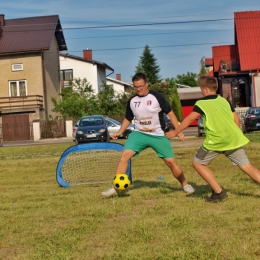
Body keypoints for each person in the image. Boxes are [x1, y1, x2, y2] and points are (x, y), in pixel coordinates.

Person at [166, 75, 260, 203]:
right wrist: (234, 133)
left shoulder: (201, 103)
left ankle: (218, 192)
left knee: (198, 163)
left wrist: (175, 132)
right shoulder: (223, 100)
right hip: (233, 139)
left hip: (215, 142)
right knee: (247, 166)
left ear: (205, 90)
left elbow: (190, 119)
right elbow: (236, 118)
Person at [101, 72, 195, 198]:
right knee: (124, 156)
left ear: (146, 84)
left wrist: (178, 131)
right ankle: (115, 188)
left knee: (171, 163)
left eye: (140, 86)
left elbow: (171, 114)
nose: (138, 89)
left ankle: (185, 185)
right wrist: (120, 132)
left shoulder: (157, 97)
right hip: (139, 134)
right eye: (135, 87)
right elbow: (128, 118)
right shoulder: (132, 101)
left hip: (158, 135)